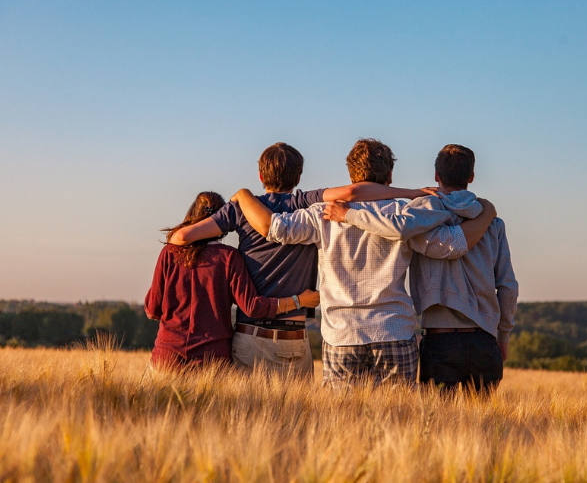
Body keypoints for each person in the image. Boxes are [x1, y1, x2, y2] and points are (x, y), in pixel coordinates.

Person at [232, 139, 496, 388]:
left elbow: (275, 229)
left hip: (342, 335)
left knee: (342, 424)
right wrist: (486, 214)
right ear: (389, 177)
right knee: (399, 422)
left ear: (351, 177)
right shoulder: (405, 214)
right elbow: (450, 246)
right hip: (394, 330)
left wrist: (243, 195)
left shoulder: (322, 214)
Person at [167, 142, 435, 377]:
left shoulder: (241, 208)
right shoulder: (306, 203)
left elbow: (180, 238)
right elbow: (354, 194)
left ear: (261, 175)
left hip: (250, 335)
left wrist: (238, 201)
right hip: (294, 337)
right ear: (298, 176)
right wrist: (411, 193)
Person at [325, 144, 518, 393]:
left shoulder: (419, 215)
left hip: (440, 340)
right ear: (471, 177)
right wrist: (503, 335)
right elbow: (508, 286)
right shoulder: (493, 223)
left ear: (436, 175)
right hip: (484, 340)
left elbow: (396, 228)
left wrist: (349, 215)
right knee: (482, 428)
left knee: (437, 426)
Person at [144, 191, 319, 371]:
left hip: (167, 358)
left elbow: (152, 309)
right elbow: (253, 307)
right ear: (222, 221)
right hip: (212, 362)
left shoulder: (169, 253)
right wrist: (299, 301)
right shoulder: (229, 257)